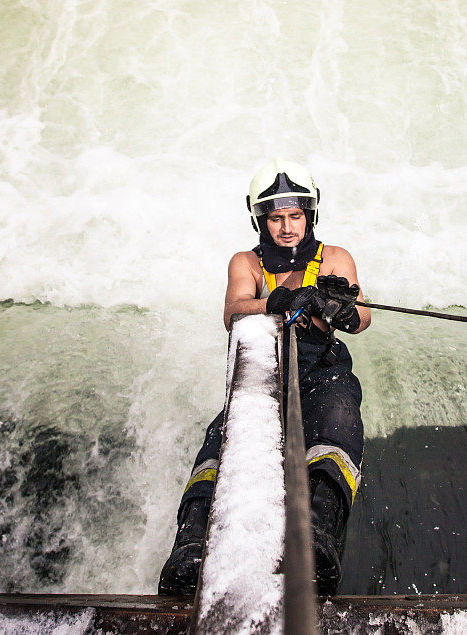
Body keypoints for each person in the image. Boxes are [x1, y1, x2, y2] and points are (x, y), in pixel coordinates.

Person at [158, 158, 370, 596]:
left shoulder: (335, 258)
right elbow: (233, 309)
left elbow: (363, 315)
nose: (287, 227)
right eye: (276, 218)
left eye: (295, 216)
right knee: (221, 437)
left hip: (322, 369)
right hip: (261, 373)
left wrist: (345, 310)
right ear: (261, 220)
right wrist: (275, 301)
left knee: (340, 415)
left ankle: (320, 535)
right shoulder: (247, 263)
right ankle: (191, 545)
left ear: (310, 215)